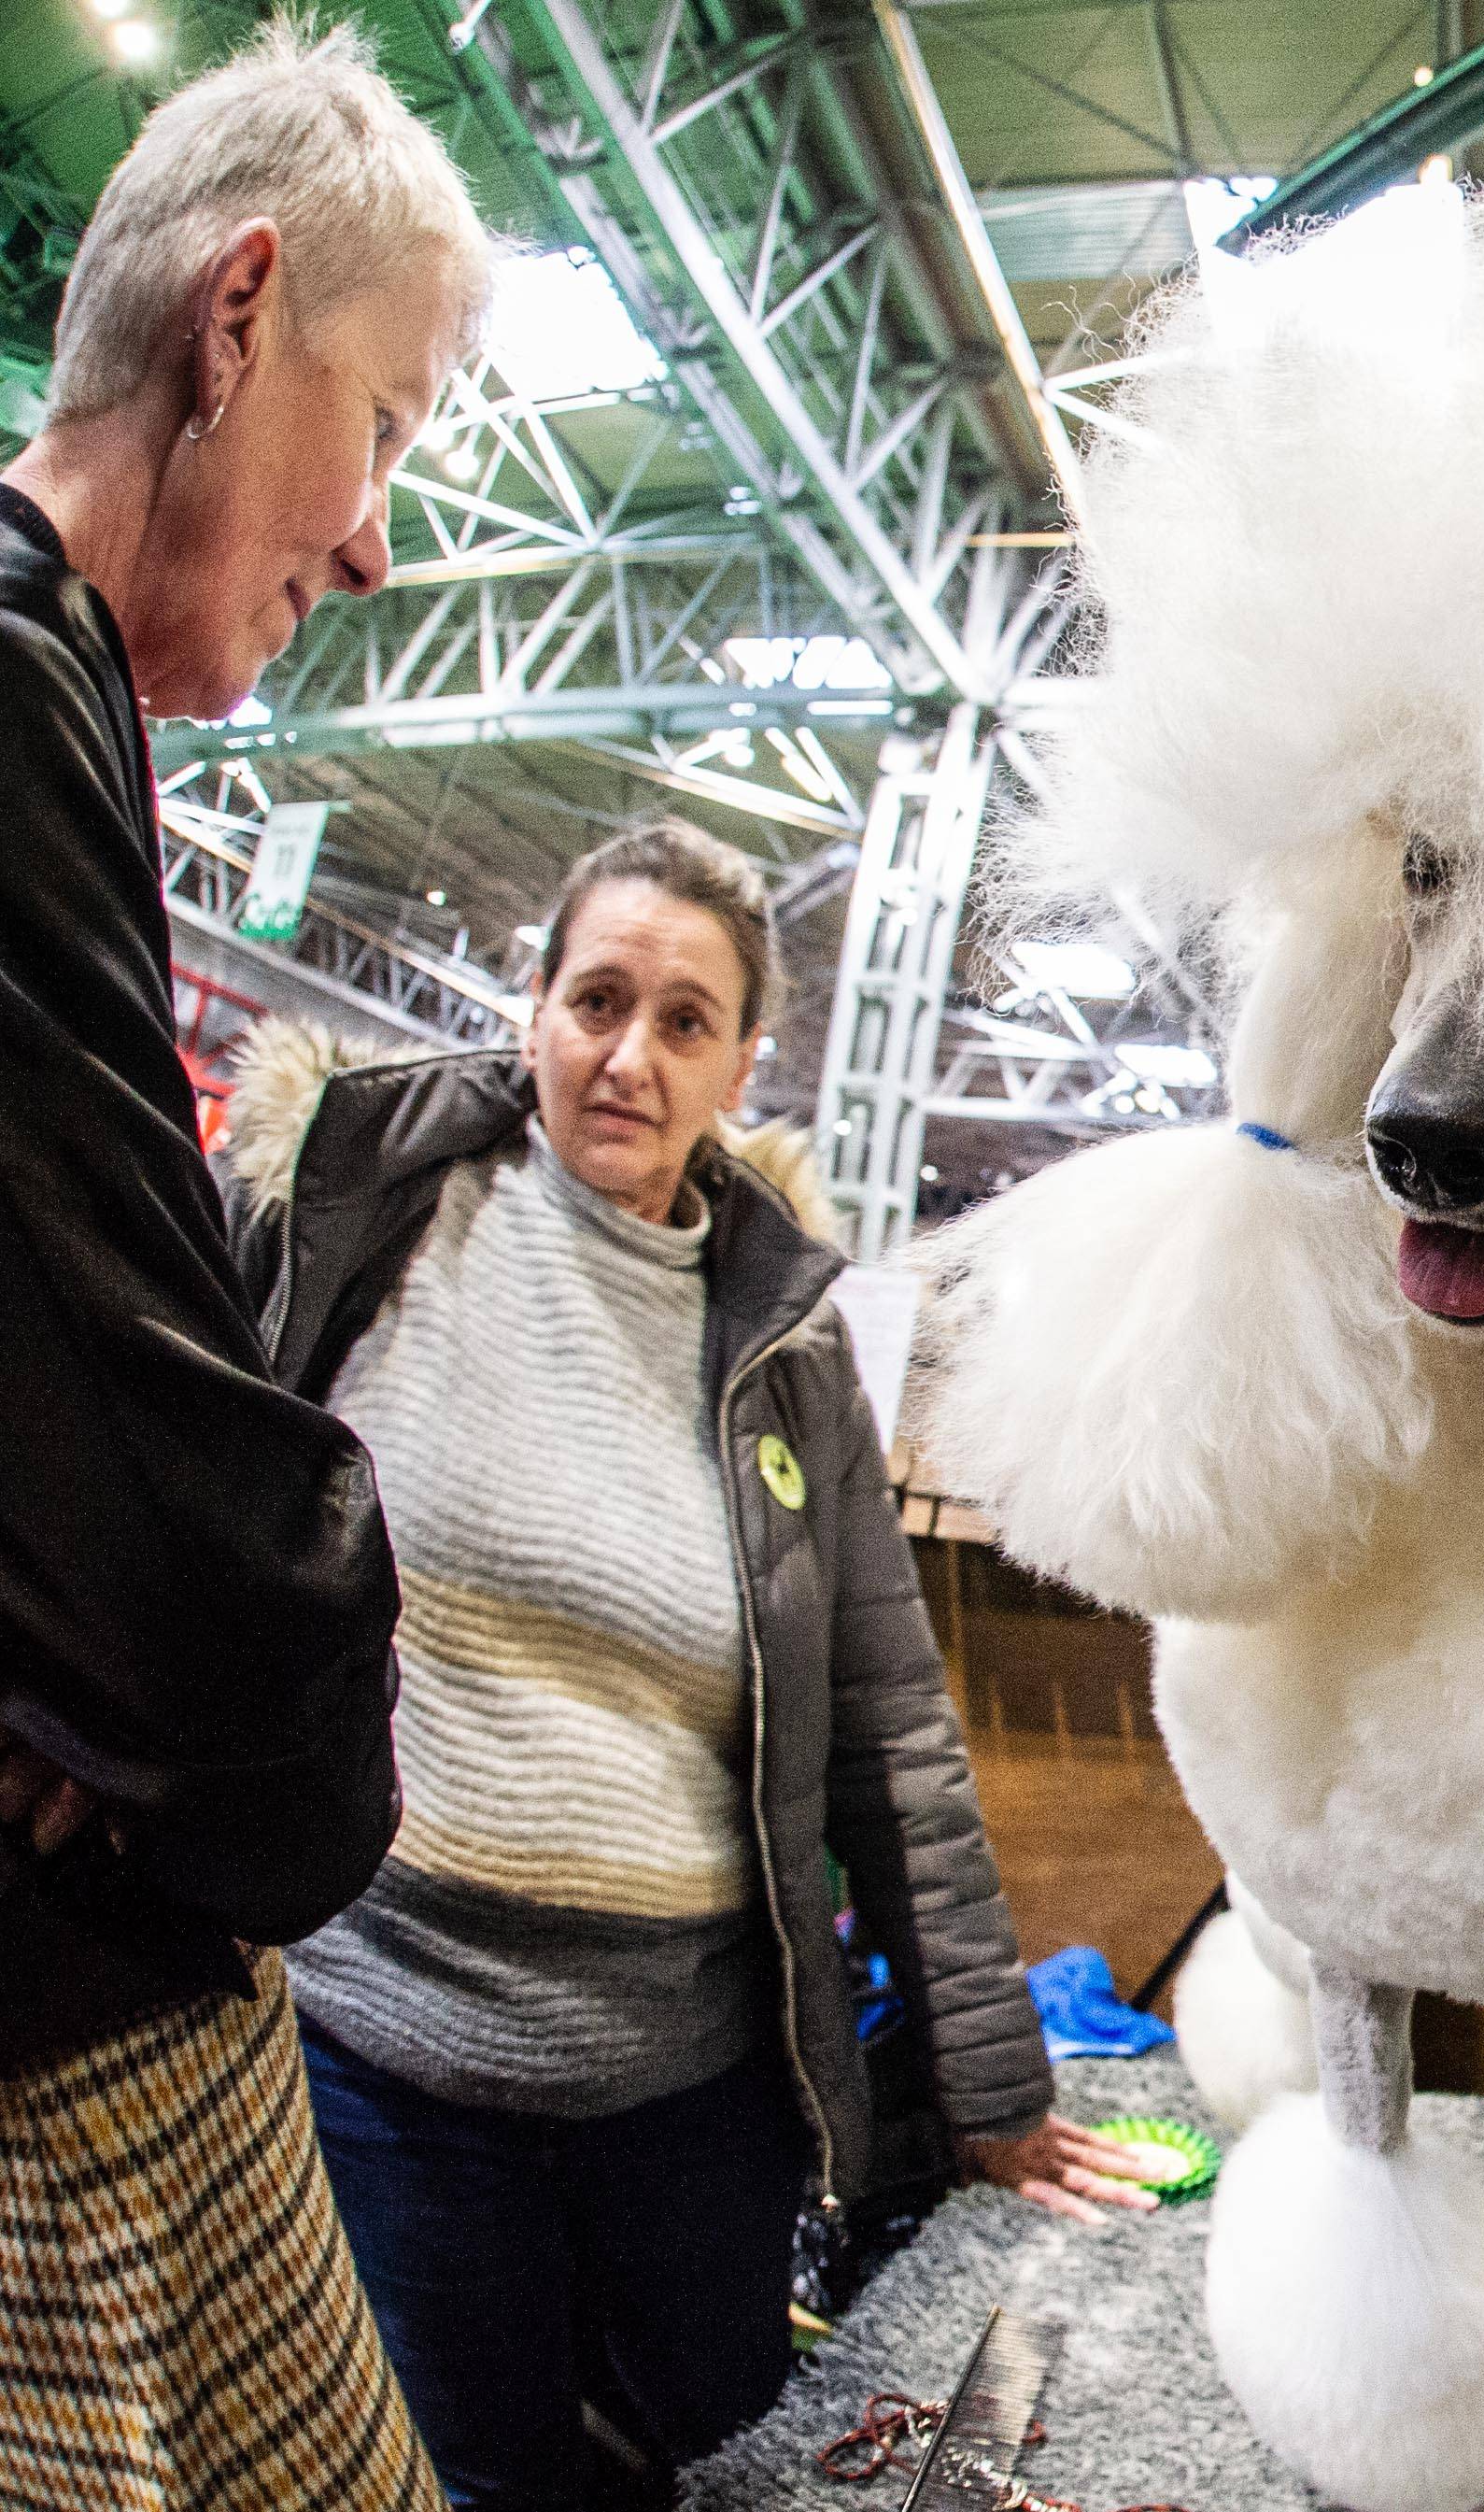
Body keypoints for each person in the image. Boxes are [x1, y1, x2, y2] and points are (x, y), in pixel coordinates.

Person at [219, 818, 1158, 2512]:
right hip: (390, 2061)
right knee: (473, 2480)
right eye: (597, 999)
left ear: (742, 1062)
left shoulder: (784, 1341)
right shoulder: (368, 1216)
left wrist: (994, 2091)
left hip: (689, 2089)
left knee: (742, 2463)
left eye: (683, 1021)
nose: (628, 1056)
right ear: (536, 1008)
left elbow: (893, 1726)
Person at [0, 24, 490, 2508]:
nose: (383, 536)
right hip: (62, 2072)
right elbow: (179, 1548)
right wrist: (263, 1703)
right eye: (387, 427)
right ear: (234, 318)